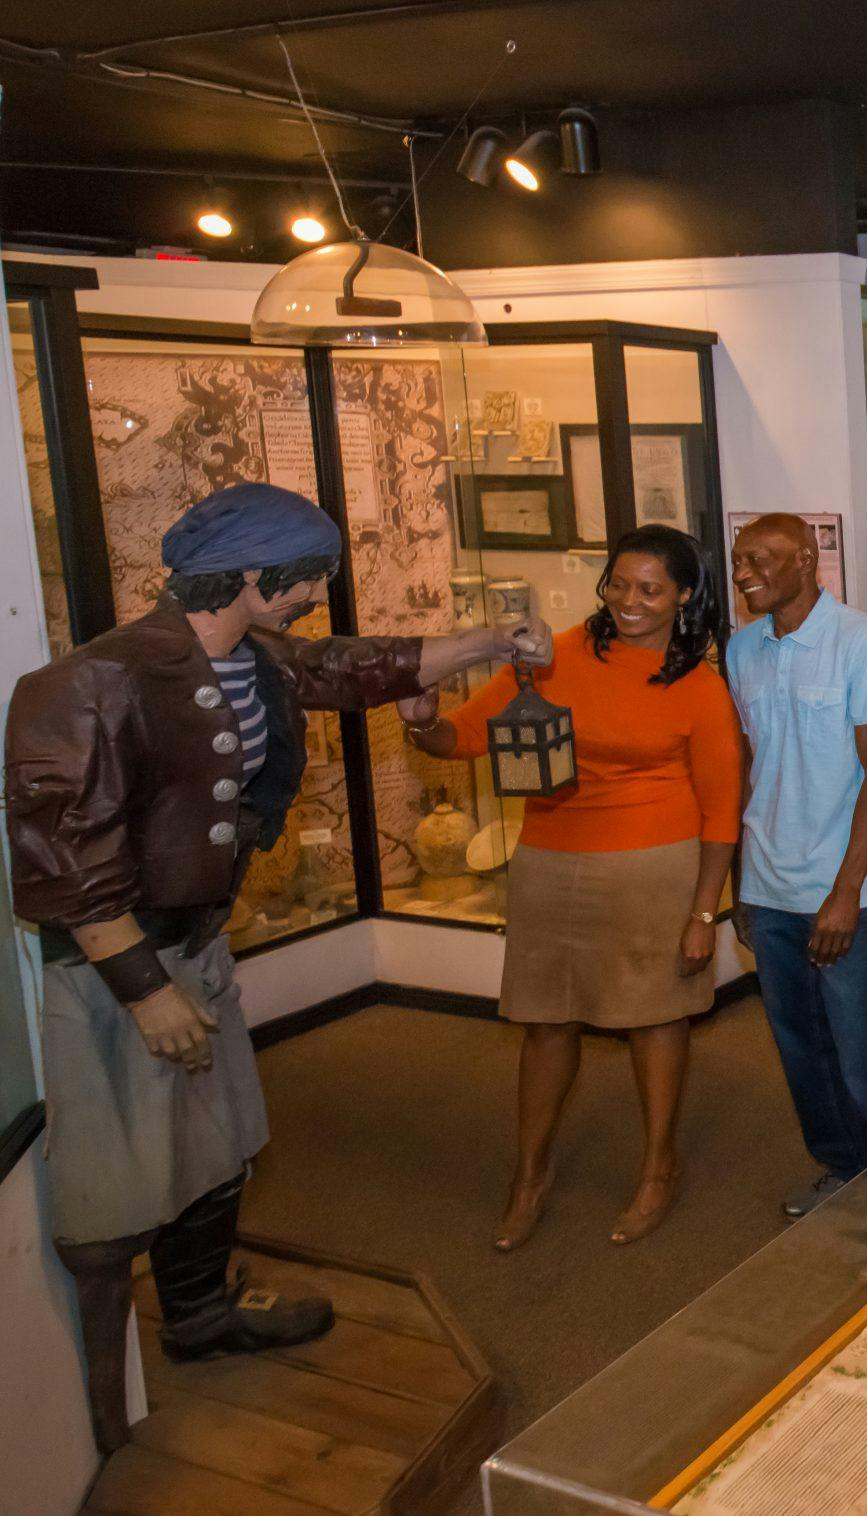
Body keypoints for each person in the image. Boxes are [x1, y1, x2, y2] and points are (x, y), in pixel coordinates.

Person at [3, 482, 549, 1452]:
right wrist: (141, 988)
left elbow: (351, 665)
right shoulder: (89, 685)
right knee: (107, 1197)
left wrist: (490, 643)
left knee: (218, 1146)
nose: (315, 596)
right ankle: (92, 1430)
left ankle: (203, 1317)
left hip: (197, 941)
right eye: (306, 579)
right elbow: (62, 862)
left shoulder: (253, 657)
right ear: (252, 576)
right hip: (113, 970)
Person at [399, 526, 743, 1249]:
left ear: (683, 596)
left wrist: (705, 910)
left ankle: (658, 1169)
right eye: (618, 583)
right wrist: (422, 721)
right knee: (546, 1021)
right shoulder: (555, 655)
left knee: (655, 1017)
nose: (628, 601)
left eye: (649, 589)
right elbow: (465, 735)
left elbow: (721, 809)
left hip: (656, 864)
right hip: (551, 861)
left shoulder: (700, 685)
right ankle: (529, 1178)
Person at [726, 513, 867, 1219]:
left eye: (762, 558)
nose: (744, 571)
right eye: (740, 558)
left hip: (840, 888)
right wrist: (741, 879)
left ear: (807, 559)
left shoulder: (863, 644)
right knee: (800, 1046)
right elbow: (751, 769)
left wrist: (845, 893)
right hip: (768, 882)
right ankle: (841, 1170)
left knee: (861, 1047)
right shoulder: (742, 651)